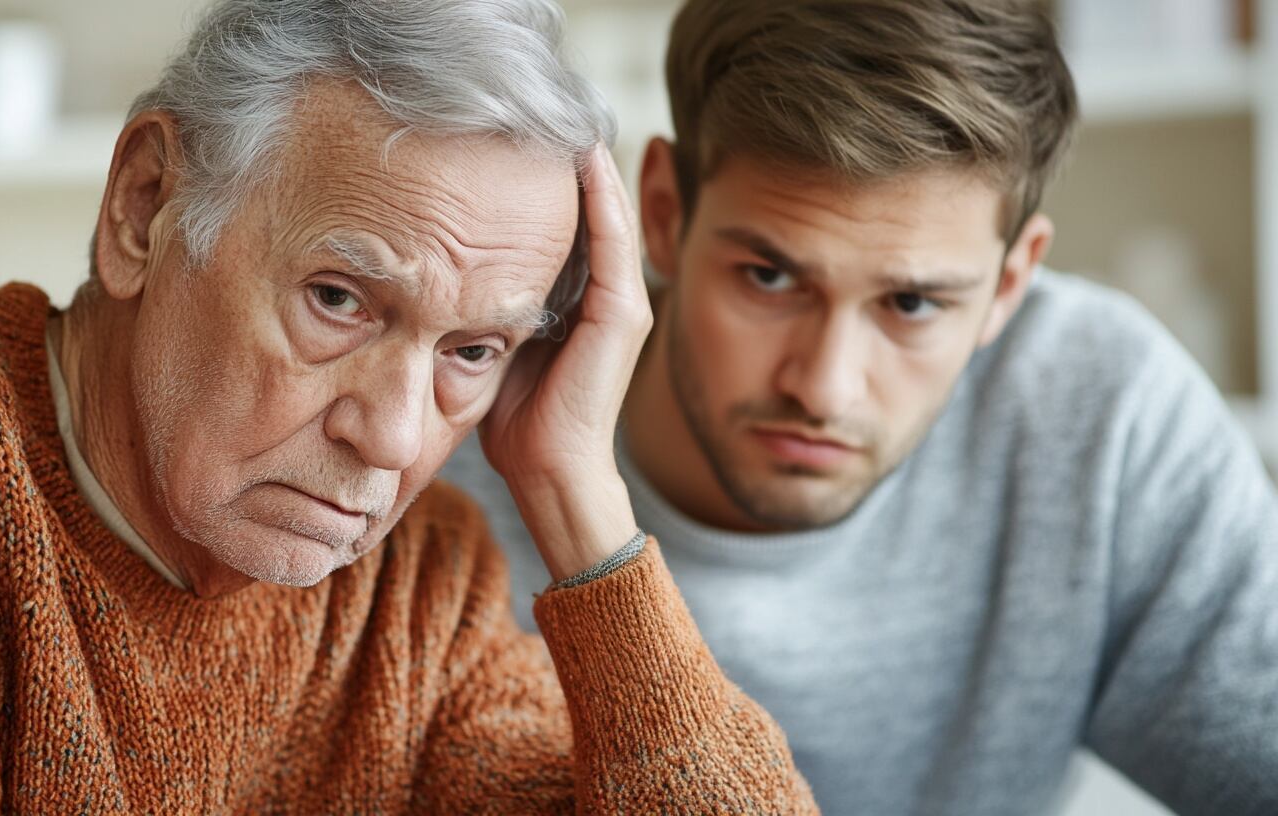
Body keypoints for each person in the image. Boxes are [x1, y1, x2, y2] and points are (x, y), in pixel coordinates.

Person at [0, 1, 821, 813]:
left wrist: (577, 496)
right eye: (339, 300)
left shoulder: (425, 584)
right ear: (144, 204)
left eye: (472, 351)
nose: (389, 438)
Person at [442, 0, 1278, 813]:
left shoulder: (1108, 421)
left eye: (911, 304)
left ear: (1010, 283)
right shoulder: (439, 417)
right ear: (661, 212)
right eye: (769, 278)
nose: (826, 387)